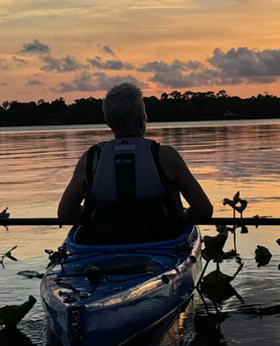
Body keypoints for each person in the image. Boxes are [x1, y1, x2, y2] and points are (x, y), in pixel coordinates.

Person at [58, 83, 213, 242]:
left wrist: (91, 215)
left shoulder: (90, 159)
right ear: (142, 118)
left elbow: (65, 214)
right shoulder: (166, 156)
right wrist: (185, 215)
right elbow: (204, 210)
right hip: (160, 241)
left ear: (107, 121)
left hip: (102, 242)